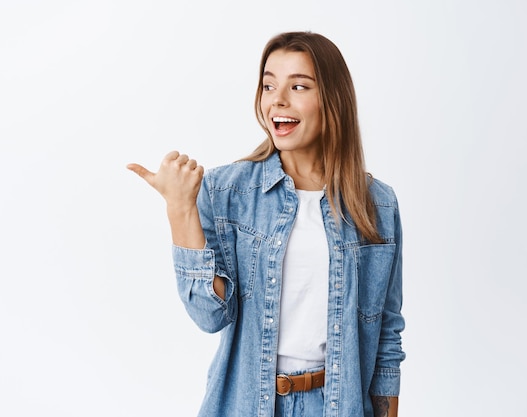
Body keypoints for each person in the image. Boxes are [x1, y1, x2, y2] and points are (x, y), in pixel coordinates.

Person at [127, 31, 405, 417]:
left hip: (339, 405)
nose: (278, 99)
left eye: (299, 86)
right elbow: (210, 316)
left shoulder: (377, 203)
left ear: (332, 100)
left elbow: (387, 332)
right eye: (269, 84)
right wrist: (180, 209)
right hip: (249, 403)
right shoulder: (226, 192)